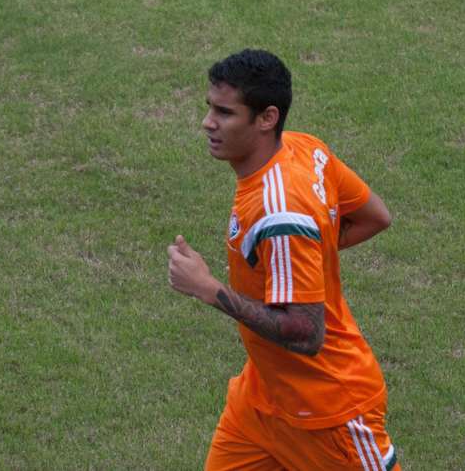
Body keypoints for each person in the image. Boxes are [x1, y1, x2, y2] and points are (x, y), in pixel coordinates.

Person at [168, 48, 399, 471]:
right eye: (209, 108)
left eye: (224, 112)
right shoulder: (303, 149)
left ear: (266, 118)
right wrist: (290, 268)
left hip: (328, 410)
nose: (208, 123)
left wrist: (207, 287)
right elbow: (375, 216)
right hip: (263, 399)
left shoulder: (281, 212)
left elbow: (306, 334)